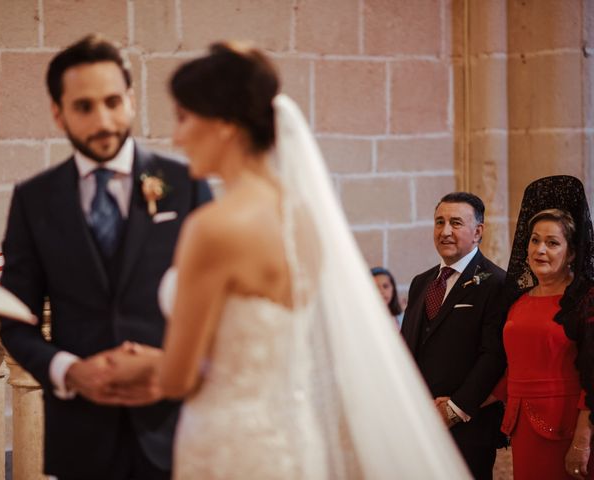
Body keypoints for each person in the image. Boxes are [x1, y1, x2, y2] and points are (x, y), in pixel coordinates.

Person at [104, 41, 471, 479]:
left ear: (223, 124)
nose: (176, 137)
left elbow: (180, 379)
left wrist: (142, 364)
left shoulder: (214, 227)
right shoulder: (304, 221)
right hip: (292, 440)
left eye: (184, 117)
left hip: (228, 444)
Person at [0, 34, 211, 480]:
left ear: (131, 101)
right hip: (82, 438)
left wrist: (171, 366)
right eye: (84, 107)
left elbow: (222, 307)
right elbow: (16, 323)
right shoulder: (33, 200)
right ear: (58, 113)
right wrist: (71, 372)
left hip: (179, 429)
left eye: (113, 101)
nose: (103, 120)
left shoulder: (185, 182)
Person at [400, 192, 507, 479]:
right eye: (439, 222)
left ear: (478, 232)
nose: (445, 231)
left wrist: (454, 409)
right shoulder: (421, 282)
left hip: (466, 425)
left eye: (456, 223)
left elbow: (494, 355)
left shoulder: (496, 282)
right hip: (419, 422)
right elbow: (408, 344)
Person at [495, 176, 594, 479]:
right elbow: (512, 368)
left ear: (572, 253)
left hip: (568, 428)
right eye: (535, 240)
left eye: (552, 243)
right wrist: (463, 403)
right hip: (524, 428)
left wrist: (582, 440)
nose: (540, 250)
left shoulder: (586, 301)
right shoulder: (518, 301)